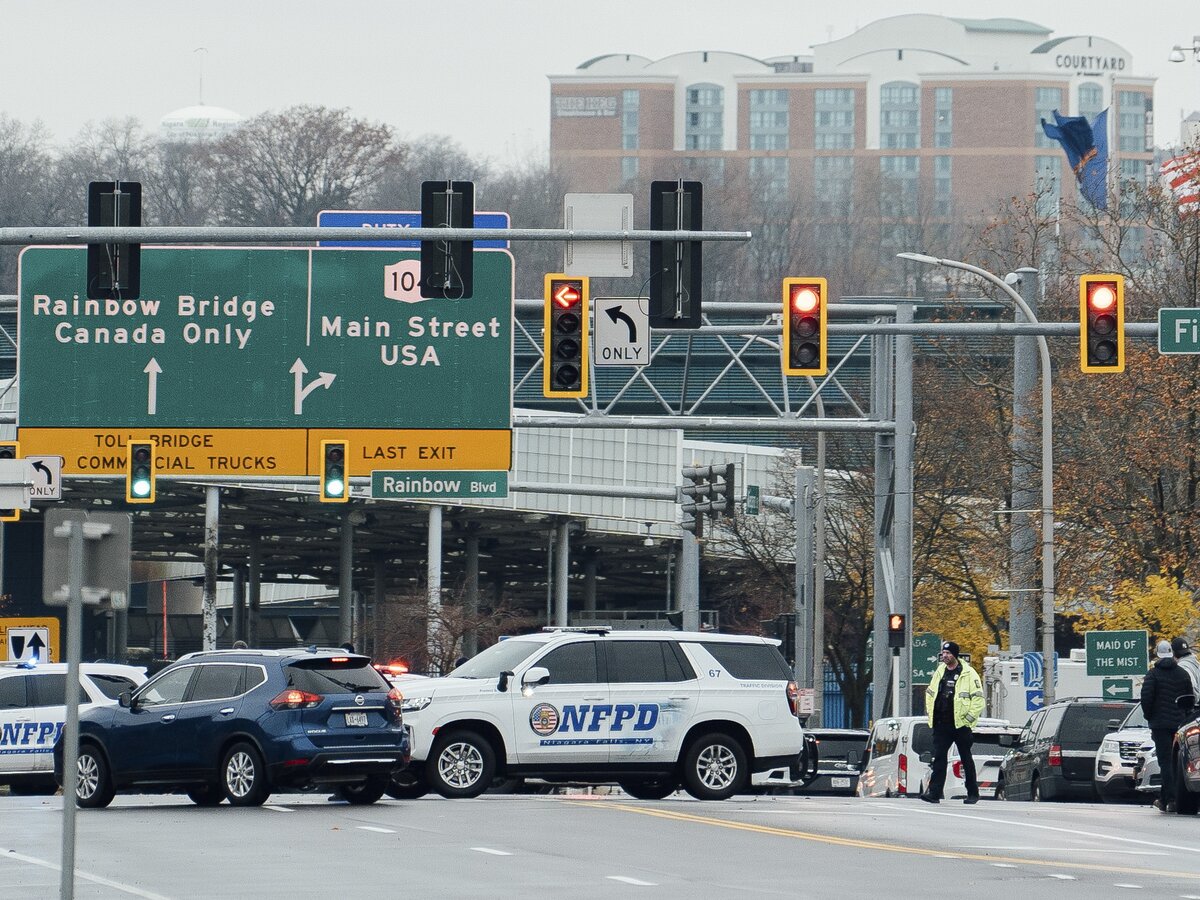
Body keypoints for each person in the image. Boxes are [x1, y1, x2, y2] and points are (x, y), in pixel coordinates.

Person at [921, 640, 985, 805]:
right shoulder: (940, 671)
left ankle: (972, 793)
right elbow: (930, 693)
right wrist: (931, 714)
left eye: (948, 653)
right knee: (939, 758)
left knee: (966, 759)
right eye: (943, 653)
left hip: (960, 725)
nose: (945, 656)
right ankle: (934, 793)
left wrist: (968, 720)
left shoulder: (969, 674)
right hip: (942, 723)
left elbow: (978, 701)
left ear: (955, 655)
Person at [1142, 638, 1196, 812]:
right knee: (1175, 762)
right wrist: (1186, 716)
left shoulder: (1152, 675)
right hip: (1179, 724)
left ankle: (1171, 799)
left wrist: (1150, 717)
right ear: (1172, 654)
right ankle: (1165, 799)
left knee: (1165, 762)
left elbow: (1146, 699)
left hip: (1160, 725)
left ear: (1158, 654)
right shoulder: (1182, 674)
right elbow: (1190, 698)